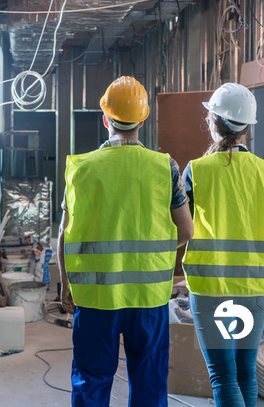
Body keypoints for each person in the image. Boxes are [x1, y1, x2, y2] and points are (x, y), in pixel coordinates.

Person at [57, 76, 194, 407]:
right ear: (142, 120)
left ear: (106, 118)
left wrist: (65, 285)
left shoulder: (81, 169)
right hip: (148, 298)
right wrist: (155, 254)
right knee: (148, 385)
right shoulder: (167, 167)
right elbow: (187, 231)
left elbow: (63, 235)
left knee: (91, 382)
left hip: (95, 298)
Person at [181, 83, 264, 407]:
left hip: (212, 287)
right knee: (245, 373)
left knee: (223, 376)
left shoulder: (196, 170)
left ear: (213, 121)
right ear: (248, 127)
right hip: (255, 285)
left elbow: (183, 228)